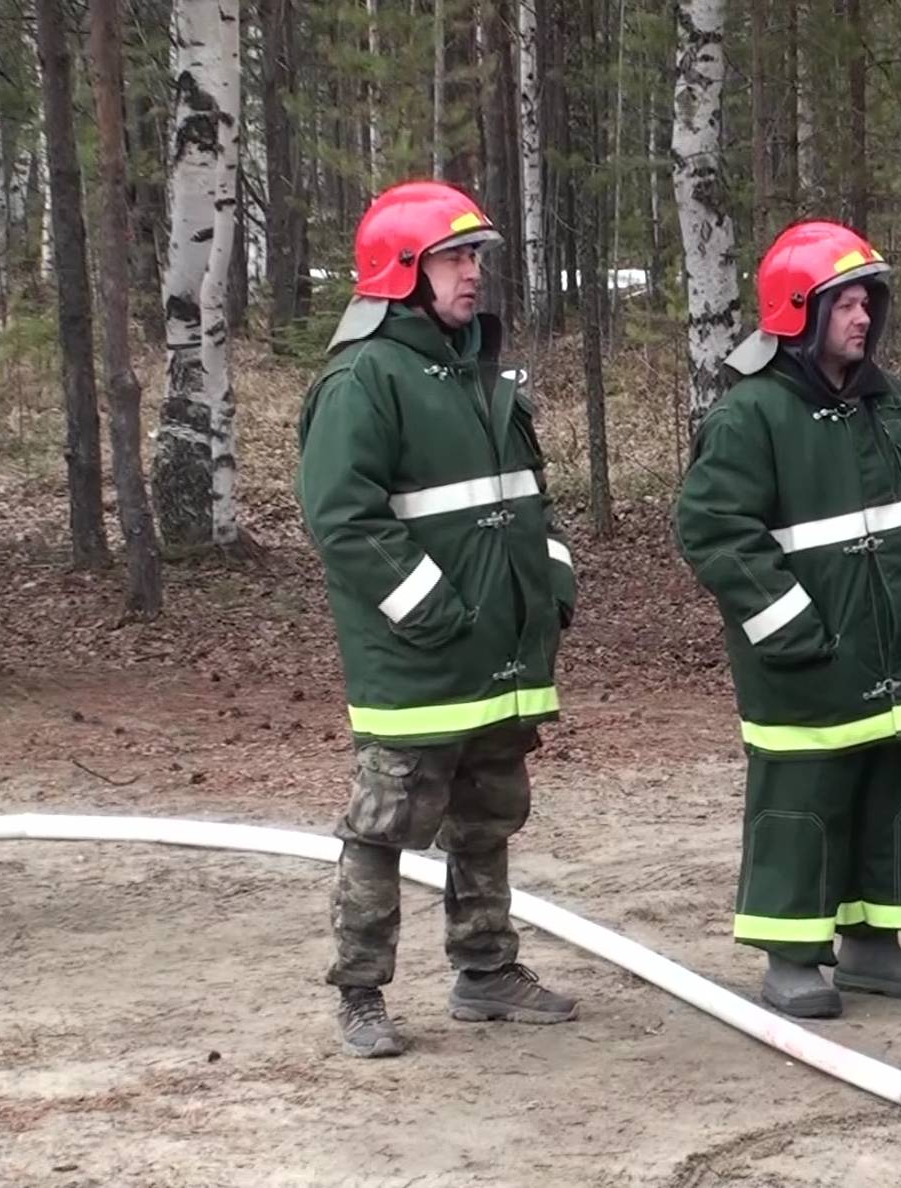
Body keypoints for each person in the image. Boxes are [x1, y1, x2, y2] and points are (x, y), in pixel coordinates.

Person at [296, 180, 581, 1058]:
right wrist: (431, 611)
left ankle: (486, 971)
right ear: (401, 271)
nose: (472, 276)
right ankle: (360, 994)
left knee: (488, 816)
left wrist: (551, 588)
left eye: (475, 259)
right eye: (454, 259)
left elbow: (529, 503)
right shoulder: (362, 379)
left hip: (496, 652)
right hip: (418, 660)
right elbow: (343, 517)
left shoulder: (482, 377)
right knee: (383, 826)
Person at [674, 221, 901, 1019]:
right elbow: (712, 531)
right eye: (842, 302)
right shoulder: (751, 416)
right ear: (798, 311)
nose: (862, 317)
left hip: (889, 650)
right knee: (801, 800)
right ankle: (791, 954)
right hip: (802, 659)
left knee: (883, 792)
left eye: (868, 300)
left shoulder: (891, 404)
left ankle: (875, 946)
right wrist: (791, 624)